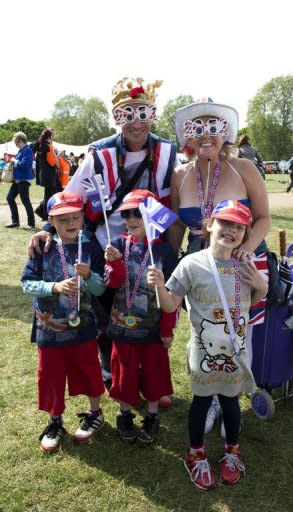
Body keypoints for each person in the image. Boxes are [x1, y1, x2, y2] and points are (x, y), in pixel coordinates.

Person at [28, 77, 177, 400]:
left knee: (149, 308)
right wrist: (48, 229)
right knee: (108, 312)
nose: (136, 123)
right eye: (127, 114)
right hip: (106, 245)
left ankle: (150, 380)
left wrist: (172, 248)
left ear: (153, 114)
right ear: (116, 117)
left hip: (147, 245)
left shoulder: (167, 153)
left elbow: (173, 201)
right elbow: (72, 196)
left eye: (143, 113)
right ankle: (114, 375)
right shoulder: (99, 153)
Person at [147, 200, 268, 490]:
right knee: (201, 402)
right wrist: (160, 285)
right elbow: (169, 305)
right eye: (225, 223)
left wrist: (262, 286)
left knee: (231, 401)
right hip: (204, 353)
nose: (232, 231)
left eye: (239, 227)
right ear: (210, 225)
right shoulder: (192, 264)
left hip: (236, 352)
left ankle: (232, 451)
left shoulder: (246, 264)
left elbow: (250, 304)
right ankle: (195, 453)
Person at [171, 97, 271, 433]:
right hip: (199, 267)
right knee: (206, 333)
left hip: (243, 263)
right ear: (188, 135)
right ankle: (211, 400)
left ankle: (233, 403)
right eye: (197, 128)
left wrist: (246, 247)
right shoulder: (180, 175)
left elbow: (264, 218)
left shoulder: (243, 168)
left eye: (213, 126)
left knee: (240, 333)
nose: (206, 135)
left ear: (225, 132)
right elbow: (175, 226)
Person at [21, 191, 106, 452]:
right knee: (51, 376)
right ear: (51, 221)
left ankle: (95, 414)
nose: (70, 223)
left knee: (89, 369)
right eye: (63, 219)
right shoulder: (42, 247)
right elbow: (26, 284)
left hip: (84, 328)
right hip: (51, 329)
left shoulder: (91, 246)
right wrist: (54, 286)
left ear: (82, 218)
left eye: (75, 217)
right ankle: (55, 420)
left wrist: (90, 275)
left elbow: (101, 289)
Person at [104, 189, 177, 446]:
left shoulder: (165, 251)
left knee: (154, 370)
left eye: (138, 213)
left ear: (152, 215)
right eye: (127, 214)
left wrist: (167, 328)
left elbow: (172, 294)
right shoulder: (116, 243)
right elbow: (112, 283)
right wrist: (114, 265)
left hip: (153, 327)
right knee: (124, 370)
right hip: (123, 324)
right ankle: (124, 414)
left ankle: (153, 415)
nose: (132, 219)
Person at [5, 131, 35, 230]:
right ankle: (15, 222)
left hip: (24, 180)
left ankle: (31, 224)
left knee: (25, 201)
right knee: (9, 198)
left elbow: (25, 165)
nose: (16, 145)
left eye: (16, 143)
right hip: (18, 180)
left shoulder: (27, 150)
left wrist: (15, 161)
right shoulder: (21, 150)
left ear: (21, 140)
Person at [35, 128, 61, 221]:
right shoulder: (48, 145)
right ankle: (45, 214)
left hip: (44, 174)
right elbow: (52, 161)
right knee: (51, 194)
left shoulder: (41, 145)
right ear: (50, 136)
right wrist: (57, 159)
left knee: (48, 194)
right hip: (49, 174)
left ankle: (43, 214)